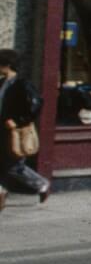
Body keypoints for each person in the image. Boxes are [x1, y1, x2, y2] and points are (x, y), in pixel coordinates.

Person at [0, 48, 52, 205]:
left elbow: (36, 105)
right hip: (2, 129)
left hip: (14, 131)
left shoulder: (22, 84)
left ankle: (41, 184)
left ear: (7, 65)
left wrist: (18, 120)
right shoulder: (2, 83)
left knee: (15, 167)